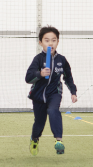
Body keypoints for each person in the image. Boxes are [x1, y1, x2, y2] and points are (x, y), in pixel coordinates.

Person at [26, 26, 77, 156]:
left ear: (58, 42)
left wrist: (73, 92)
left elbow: (68, 77)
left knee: (53, 110)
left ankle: (58, 140)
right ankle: (35, 139)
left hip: (55, 93)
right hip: (38, 95)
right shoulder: (38, 59)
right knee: (39, 122)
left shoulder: (62, 60)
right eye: (47, 40)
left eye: (53, 40)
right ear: (40, 42)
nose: (50, 43)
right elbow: (28, 78)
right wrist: (40, 73)